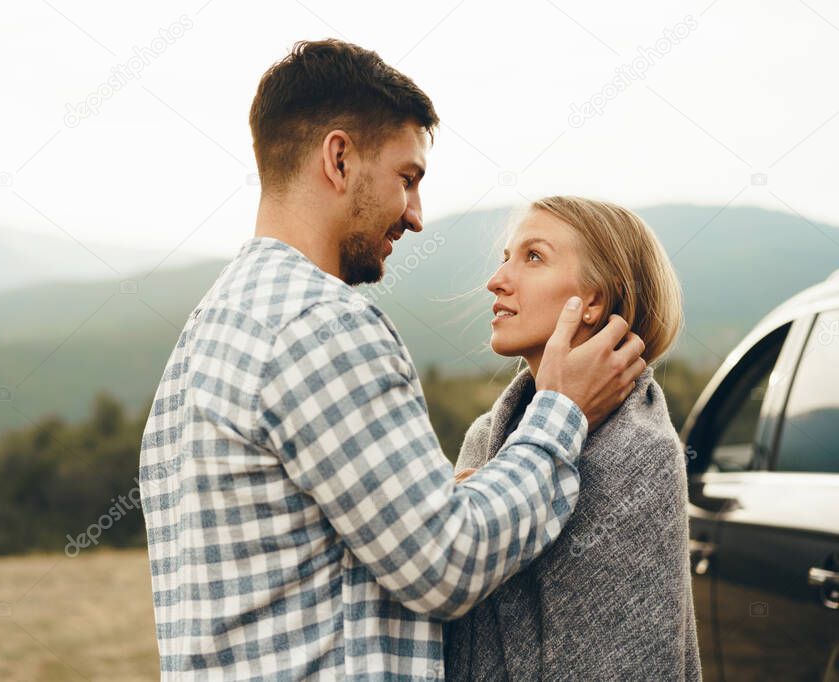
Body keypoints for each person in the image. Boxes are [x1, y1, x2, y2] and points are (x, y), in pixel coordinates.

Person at [139, 41, 645, 679]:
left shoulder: (208, 330)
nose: (416, 215)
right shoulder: (322, 325)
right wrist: (561, 414)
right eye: (407, 178)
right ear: (340, 158)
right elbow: (446, 564)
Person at [444, 197, 701, 680]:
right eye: (505, 257)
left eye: (533, 256)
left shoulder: (638, 450)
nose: (497, 280)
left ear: (595, 302)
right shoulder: (487, 436)